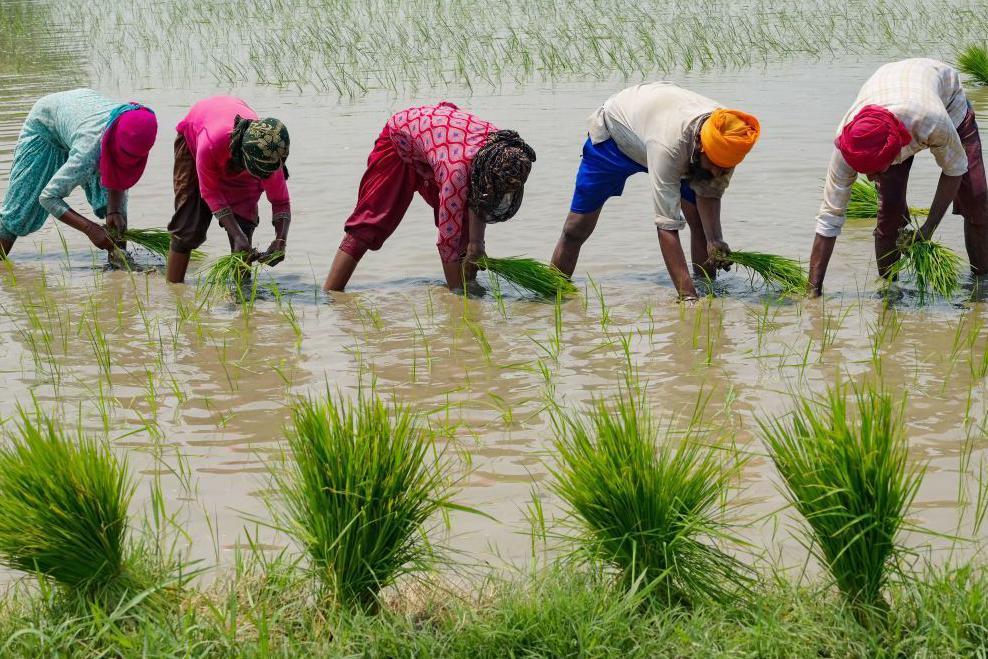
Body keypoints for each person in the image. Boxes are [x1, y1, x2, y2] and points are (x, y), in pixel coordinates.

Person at [550, 82, 760, 300]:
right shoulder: (669, 146)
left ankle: (708, 289)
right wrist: (687, 299)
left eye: (724, 168)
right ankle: (553, 294)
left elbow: (709, 193)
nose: (719, 172)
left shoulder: (729, 137)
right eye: (715, 165)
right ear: (700, 147)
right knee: (575, 229)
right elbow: (666, 226)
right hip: (615, 139)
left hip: (666, 136)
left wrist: (714, 239)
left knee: (699, 223)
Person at [808, 58, 988, 295]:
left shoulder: (932, 121)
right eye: (865, 172)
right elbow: (829, 218)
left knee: (976, 197)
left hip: (945, 98)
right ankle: (890, 289)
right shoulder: (848, 143)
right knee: (890, 208)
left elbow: (954, 169)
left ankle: (982, 285)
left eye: (875, 171)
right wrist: (813, 291)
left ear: (895, 152)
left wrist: (928, 228)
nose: (871, 180)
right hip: (890, 88)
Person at [323, 102, 536, 292]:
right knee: (370, 224)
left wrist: (476, 243)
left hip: (441, 143)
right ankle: (330, 295)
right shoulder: (457, 173)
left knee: (464, 229)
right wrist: (459, 302)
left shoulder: (503, 148)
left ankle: (471, 287)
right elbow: (447, 241)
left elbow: (480, 193)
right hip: (400, 141)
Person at [0, 89, 157, 257]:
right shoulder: (88, 152)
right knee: (18, 214)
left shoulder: (135, 129)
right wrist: (89, 229)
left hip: (80, 116)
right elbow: (47, 197)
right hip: (46, 127)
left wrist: (114, 211)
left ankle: (120, 265)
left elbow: (119, 175)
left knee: (116, 211)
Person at [166, 96, 291, 283]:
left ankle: (243, 299)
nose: (265, 177)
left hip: (244, 156)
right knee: (188, 228)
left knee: (244, 229)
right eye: (259, 173)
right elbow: (210, 193)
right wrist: (236, 234)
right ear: (244, 158)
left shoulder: (269, 154)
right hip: (196, 136)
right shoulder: (211, 144)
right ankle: (174, 290)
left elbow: (281, 202)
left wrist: (280, 240)